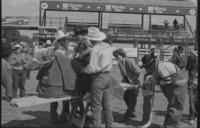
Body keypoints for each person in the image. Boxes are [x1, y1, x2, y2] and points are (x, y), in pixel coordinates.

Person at [36, 29, 77, 124]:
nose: (66, 41)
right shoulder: (57, 51)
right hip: (57, 77)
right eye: (64, 40)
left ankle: (60, 118)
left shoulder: (63, 50)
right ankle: (57, 118)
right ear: (59, 41)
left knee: (63, 99)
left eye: (66, 40)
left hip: (61, 77)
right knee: (57, 99)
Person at [141, 55, 187, 128]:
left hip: (178, 84)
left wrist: (158, 82)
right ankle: (167, 125)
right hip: (173, 85)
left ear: (152, 64)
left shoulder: (160, 66)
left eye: (147, 67)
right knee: (172, 105)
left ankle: (170, 126)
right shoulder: (158, 67)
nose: (147, 69)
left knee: (175, 107)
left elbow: (167, 80)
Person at [82, 27, 114, 128]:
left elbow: (92, 68)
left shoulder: (95, 49)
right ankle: (110, 125)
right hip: (108, 76)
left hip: (98, 77)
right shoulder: (108, 46)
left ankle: (97, 126)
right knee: (106, 104)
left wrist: (83, 70)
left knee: (95, 105)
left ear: (91, 39)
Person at [113, 48, 141, 122]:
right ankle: (132, 112)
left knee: (132, 100)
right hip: (127, 82)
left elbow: (138, 72)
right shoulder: (120, 63)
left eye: (116, 56)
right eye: (115, 57)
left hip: (134, 83)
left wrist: (132, 82)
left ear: (121, 54)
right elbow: (125, 75)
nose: (116, 58)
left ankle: (126, 116)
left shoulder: (129, 60)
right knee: (125, 97)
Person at [185, 48, 198, 124]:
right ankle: (194, 116)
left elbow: (187, 67)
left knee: (192, 100)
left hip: (192, 81)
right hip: (194, 81)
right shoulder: (194, 58)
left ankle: (192, 116)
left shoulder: (190, 58)